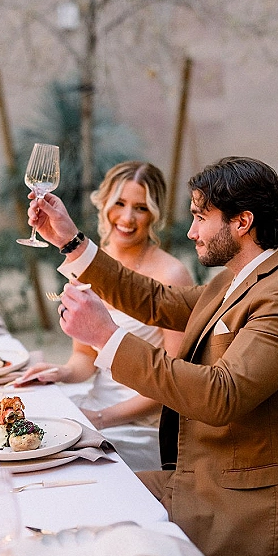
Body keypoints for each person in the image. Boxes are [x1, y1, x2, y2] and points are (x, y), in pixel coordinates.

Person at [25, 156, 278, 556]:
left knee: (77, 525)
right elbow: (157, 302)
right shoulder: (241, 278)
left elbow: (220, 395)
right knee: (65, 497)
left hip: (242, 512)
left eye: (200, 218)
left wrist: (107, 338)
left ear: (242, 221)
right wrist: (70, 241)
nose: (191, 232)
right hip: (198, 480)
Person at [15, 161, 193, 471]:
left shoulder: (172, 275)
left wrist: (100, 419)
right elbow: (85, 357)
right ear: (104, 204)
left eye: (140, 208)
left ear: (155, 214)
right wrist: (61, 372)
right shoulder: (86, 264)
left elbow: (174, 384)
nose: (127, 217)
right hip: (95, 405)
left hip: (140, 423)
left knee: (63, 461)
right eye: (120, 204)